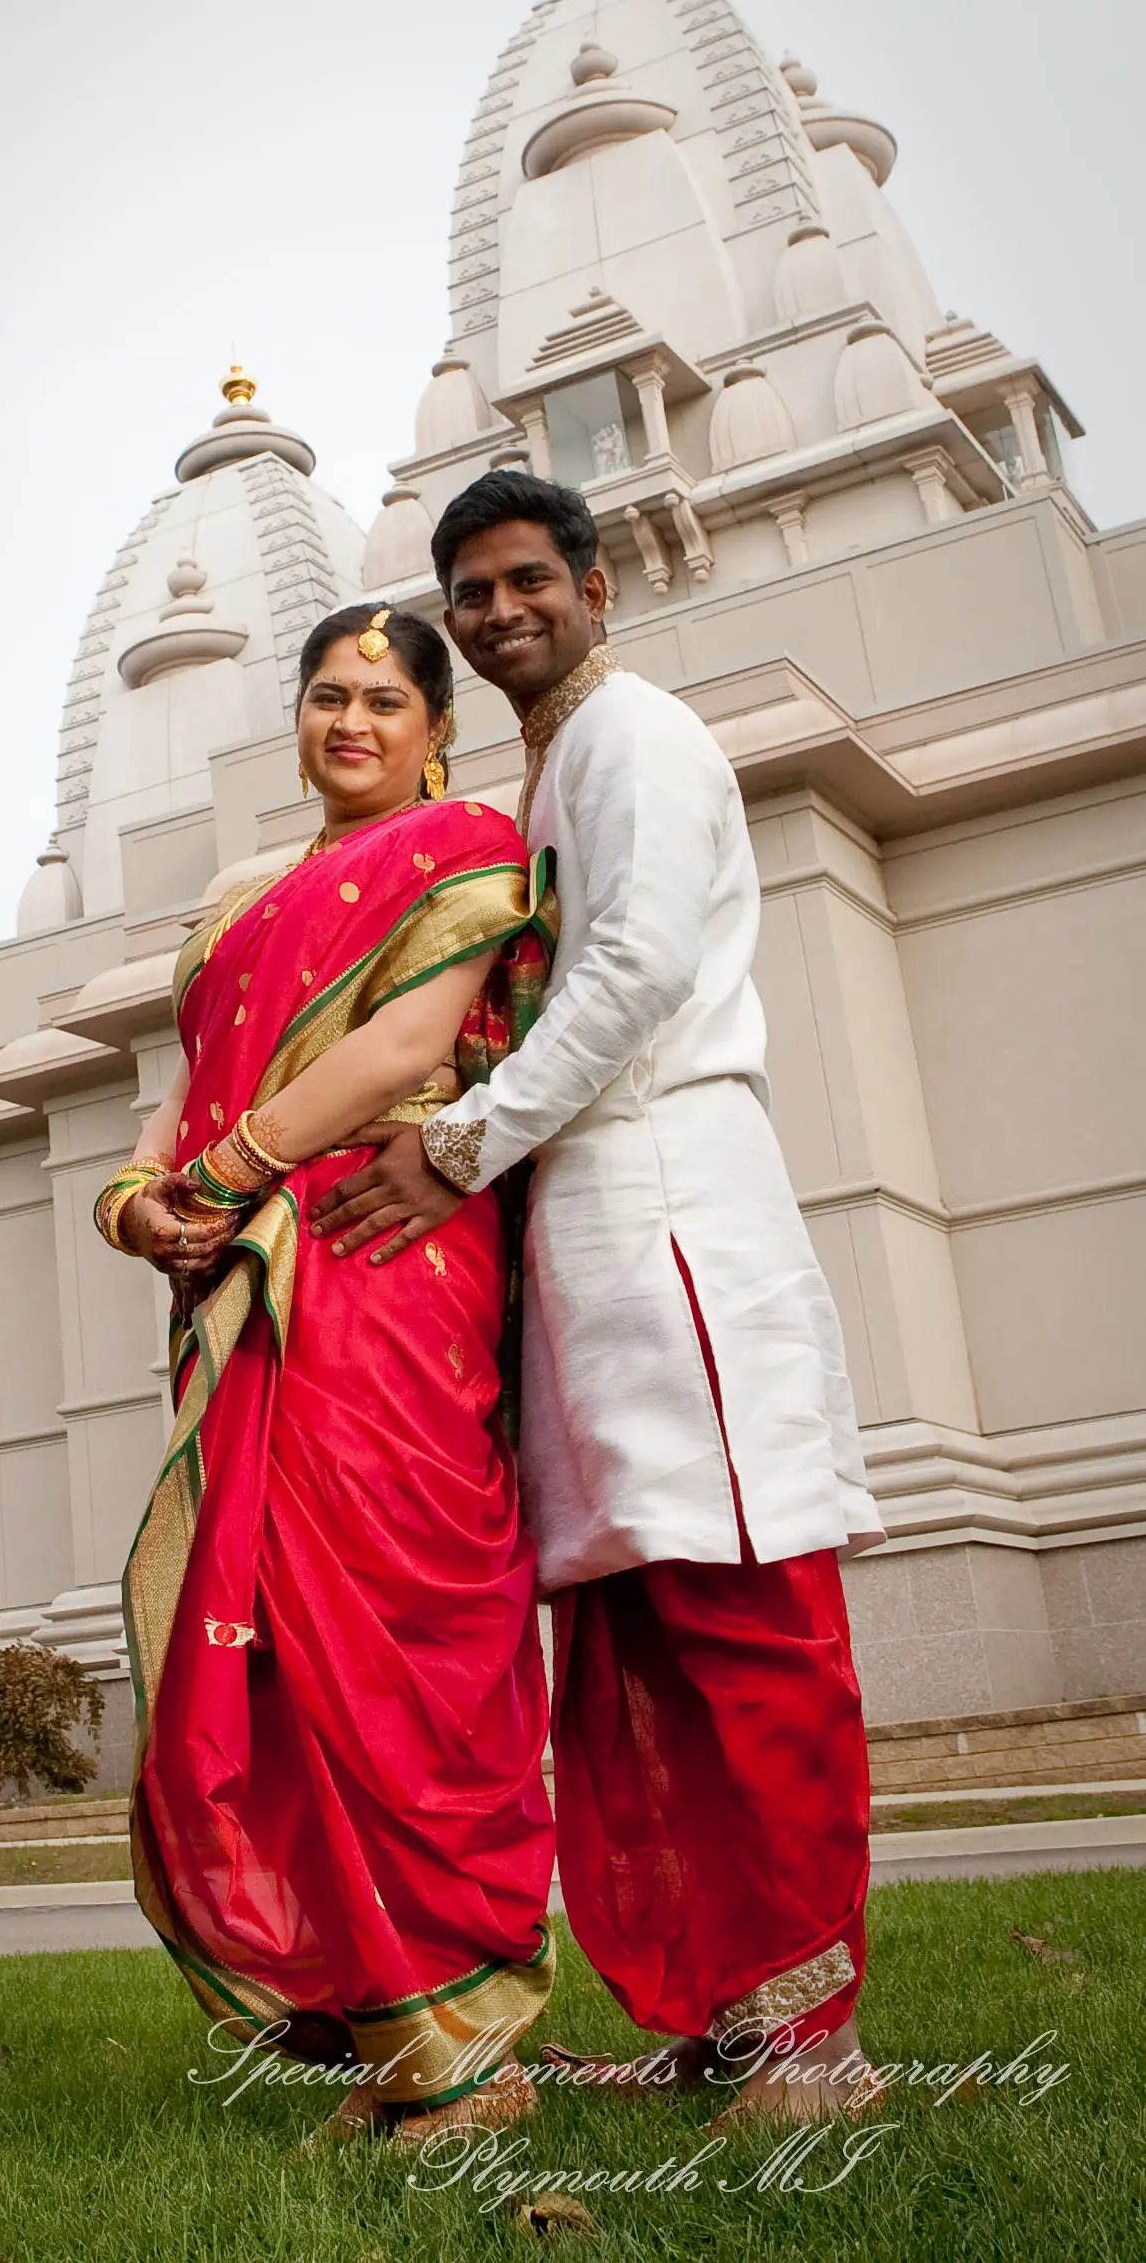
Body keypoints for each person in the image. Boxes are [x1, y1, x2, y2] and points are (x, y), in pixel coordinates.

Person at [310, 472, 888, 2129]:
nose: (496, 613)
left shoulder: (635, 735)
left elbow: (629, 971)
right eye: (469, 591)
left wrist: (460, 1144)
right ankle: (722, 2004)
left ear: (598, 582)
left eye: (522, 581)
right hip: (592, 1236)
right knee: (637, 1639)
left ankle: (811, 2036)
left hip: (673, 1208)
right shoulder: (555, 764)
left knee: (746, 1623)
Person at [94, 601, 557, 2149]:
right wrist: (140, 1199)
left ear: (438, 723)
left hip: (377, 1256)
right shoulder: (240, 901)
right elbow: (179, 1090)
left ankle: (471, 2056)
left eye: (381, 698)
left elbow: (405, 1043)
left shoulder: (465, 847)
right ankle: (391, 2036)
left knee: (402, 1623)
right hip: (238, 1277)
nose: (348, 721)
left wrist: (219, 1175)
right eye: (323, 696)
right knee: (285, 1645)